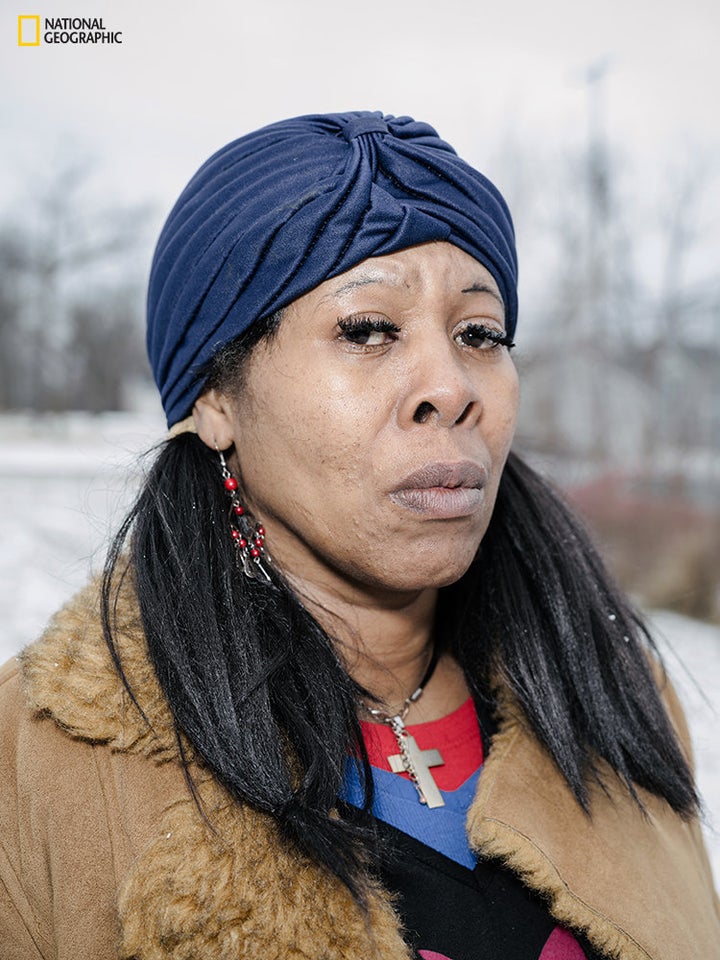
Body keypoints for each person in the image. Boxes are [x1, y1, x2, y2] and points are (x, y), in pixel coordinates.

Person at [0, 111, 717, 960]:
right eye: (368, 329)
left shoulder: (610, 694)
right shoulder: (36, 761)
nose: (450, 388)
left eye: (480, 334)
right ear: (215, 400)